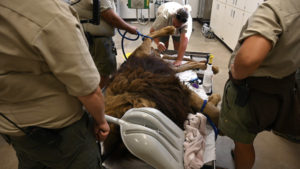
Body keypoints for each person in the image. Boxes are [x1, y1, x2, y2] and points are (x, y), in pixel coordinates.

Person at [0, 0, 110, 168]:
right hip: (61, 134)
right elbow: (88, 90)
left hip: (14, 130)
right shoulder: (49, 13)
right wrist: (101, 121)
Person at [219, 0, 300, 169]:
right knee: (250, 133)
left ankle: (242, 157)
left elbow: (248, 59)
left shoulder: (275, 8)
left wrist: (236, 71)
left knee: (243, 142)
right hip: (281, 87)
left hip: (251, 91)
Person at [71, 0, 137, 89]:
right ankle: (96, 99)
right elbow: (110, 16)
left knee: (91, 71)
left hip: (87, 38)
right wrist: (129, 28)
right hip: (98, 41)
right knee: (104, 72)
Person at [150, 2, 192, 66]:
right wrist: (158, 43)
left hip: (179, 24)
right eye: (174, 24)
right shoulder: (164, 17)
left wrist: (179, 60)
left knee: (177, 49)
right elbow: (152, 31)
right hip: (165, 21)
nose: (175, 26)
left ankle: (177, 58)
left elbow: (184, 40)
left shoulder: (187, 23)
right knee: (164, 48)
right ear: (173, 17)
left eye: (177, 26)